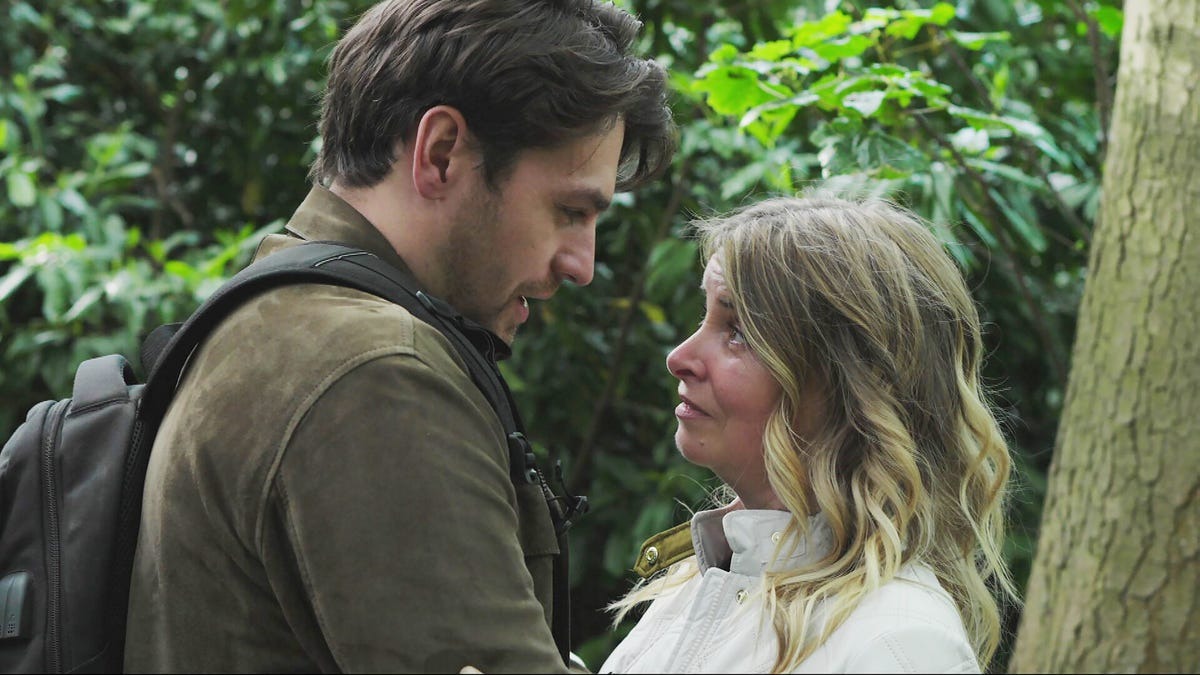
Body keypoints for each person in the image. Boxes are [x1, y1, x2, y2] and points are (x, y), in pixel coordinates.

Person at [124, 1, 674, 671]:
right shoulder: (376, 373)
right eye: (569, 210)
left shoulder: (278, 317)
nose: (581, 265)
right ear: (441, 153)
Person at [601, 195, 1018, 673]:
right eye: (707, 316)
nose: (680, 357)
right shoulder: (701, 581)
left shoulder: (899, 644)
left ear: (850, 386)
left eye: (738, 331)